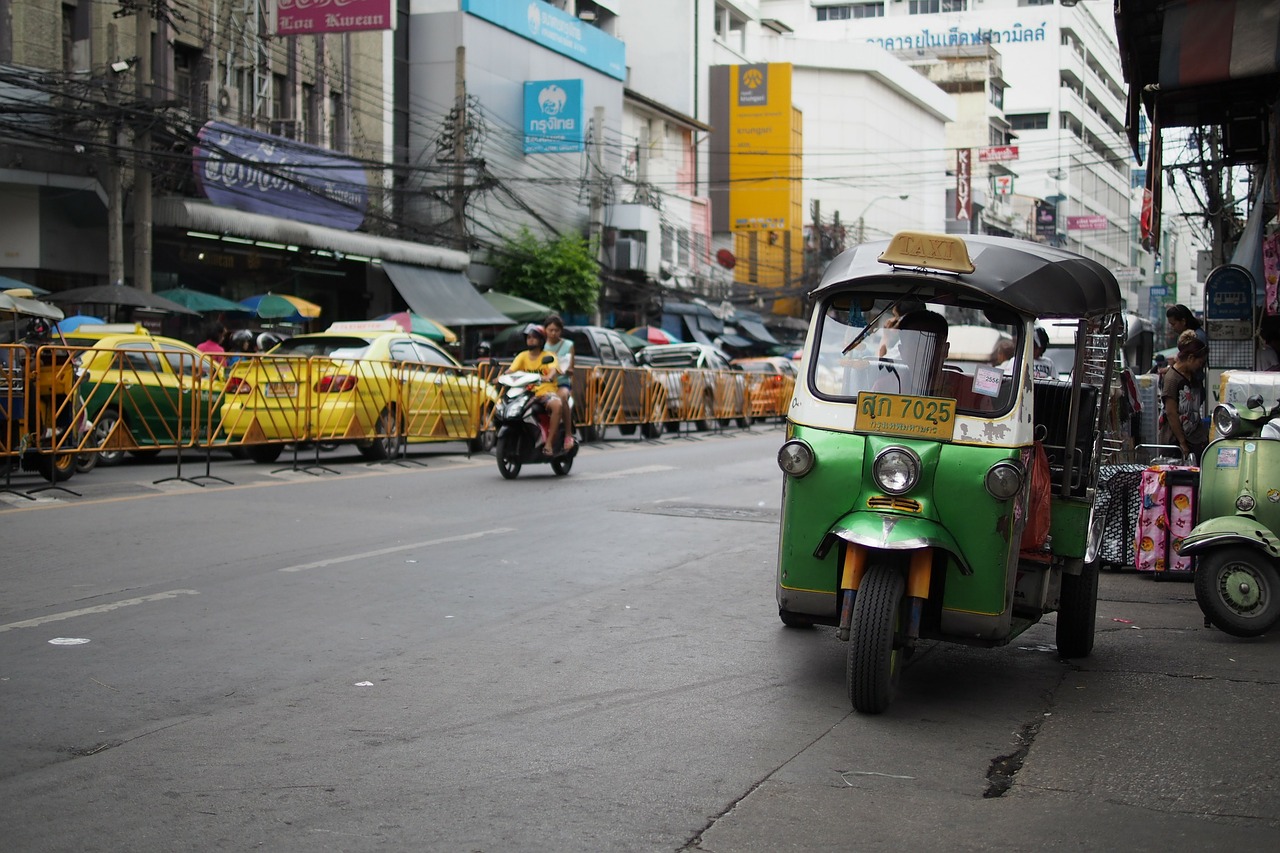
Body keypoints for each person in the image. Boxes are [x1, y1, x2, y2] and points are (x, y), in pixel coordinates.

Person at [505, 323, 571, 455]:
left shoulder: (549, 355)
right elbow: (511, 370)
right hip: (525, 393)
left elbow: (553, 370)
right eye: (528, 337)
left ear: (541, 340)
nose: (531, 340)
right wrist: (502, 377)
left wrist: (548, 376)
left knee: (557, 405)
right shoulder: (522, 356)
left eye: (534, 337)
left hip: (545, 392)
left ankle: (549, 444)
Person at [1157, 331, 1209, 462]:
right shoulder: (1172, 379)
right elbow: (1171, 413)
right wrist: (1182, 442)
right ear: (1190, 358)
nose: (1201, 366)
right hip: (1175, 442)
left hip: (1195, 438)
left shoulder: (1193, 376)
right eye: (1200, 362)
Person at [542, 314, 574, 428]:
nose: (553, 333)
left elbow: (571, 369)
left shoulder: (568, 345)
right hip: (543, 383)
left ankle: (568, 434)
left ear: (561, 331)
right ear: (545, 330)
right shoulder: (542, 345)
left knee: (562, 398)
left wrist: (562, 370)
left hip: (561, 383)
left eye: (557, 330)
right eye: (550, 330)